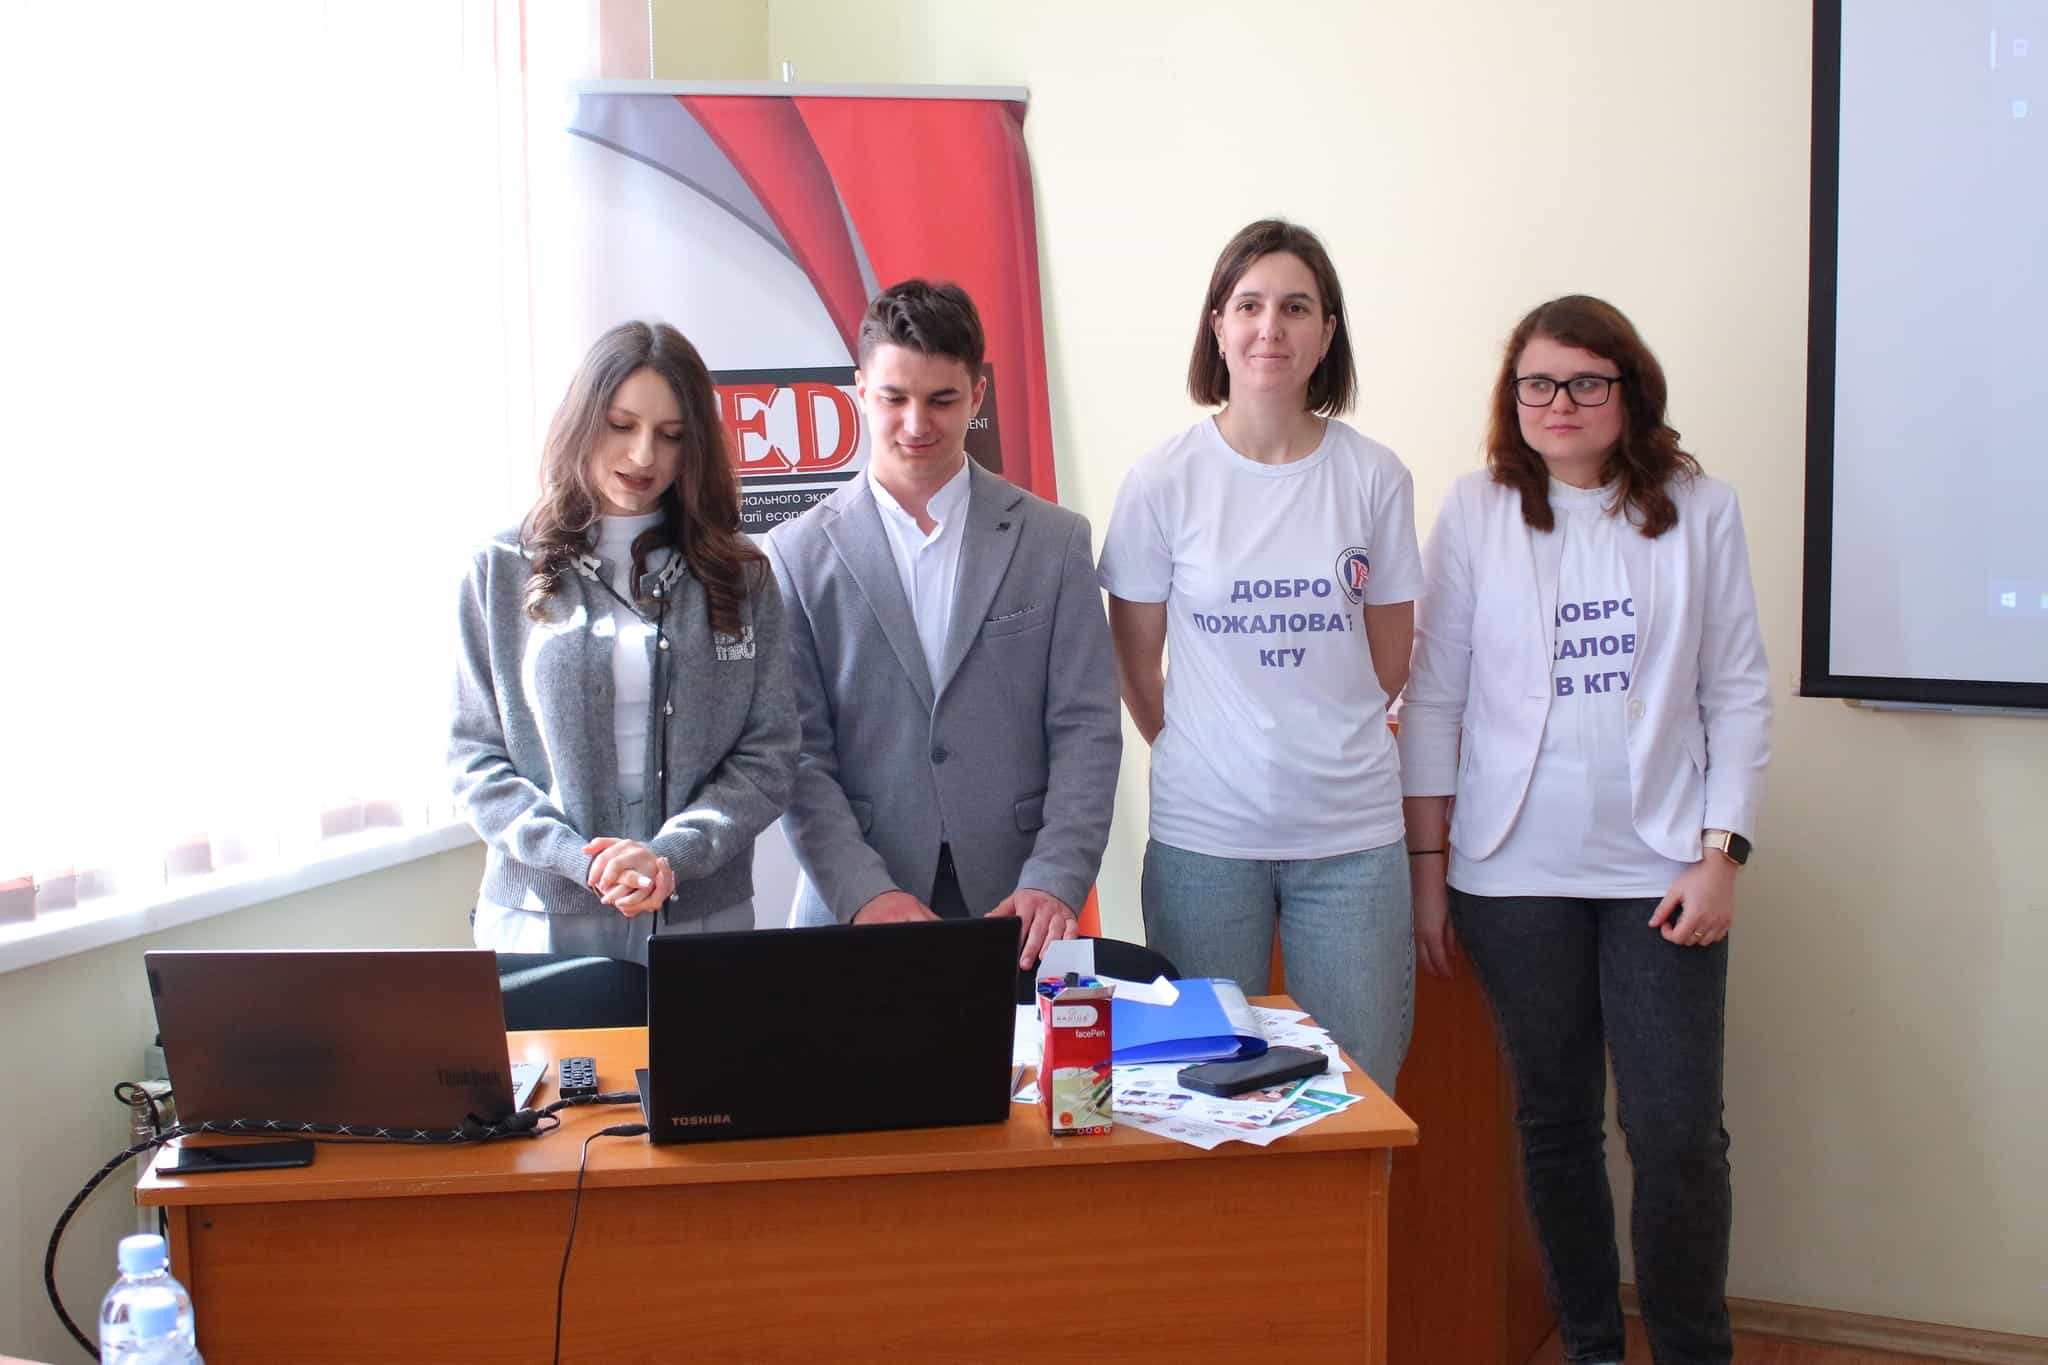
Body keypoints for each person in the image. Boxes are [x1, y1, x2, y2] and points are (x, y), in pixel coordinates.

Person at [1399, 295, 1771, 1365]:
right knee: (1556, 1124)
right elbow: (1434, 697)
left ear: (1627, 392)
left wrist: (1722, 854)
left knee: (1675, 1133)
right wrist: (1429, 874)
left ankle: (1692, 1349)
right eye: (1536, 383)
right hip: (1511, 875)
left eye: (1584, 382)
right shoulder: (1476, 511)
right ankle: (1594, 1348)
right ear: (1511, 398)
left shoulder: (1700, 509)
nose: (1558, 402)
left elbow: (1737, 692)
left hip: (1664, 868)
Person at [1096, 219, 1421, 1094]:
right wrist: (1207, 748)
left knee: (1356, 1094)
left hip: (1352, 842)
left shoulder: (1374, 476)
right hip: (1205, 841)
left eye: (1296, 307)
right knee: (1198, 1091)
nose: (1270, 326)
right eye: (1249, 305)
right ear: (1217, 325)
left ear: (1327, 332)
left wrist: (1313, 735)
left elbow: (1391, 660)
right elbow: (1135, 663)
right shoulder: (1163, 480)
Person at [765, 279, 1121, 970]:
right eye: (894, 397)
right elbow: (796, 755)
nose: (916, 423)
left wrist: (1056, 876)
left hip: (1019, 912)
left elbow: (1087, 729)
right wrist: (864, 892)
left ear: (978, 395)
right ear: (859, 390)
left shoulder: (1054, 541)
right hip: (856, 909)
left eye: (942, 399)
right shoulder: (796, 554)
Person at [450, 320, 797, 964]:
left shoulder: (741, 573)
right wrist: (578, 860)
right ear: (582, 420)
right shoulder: (498, 568)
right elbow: (474, 758)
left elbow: (770, 755)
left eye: (671, 435)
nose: (643, 456)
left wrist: (670, 856)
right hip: (540, 917)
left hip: (702, 914)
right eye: (621, 425)